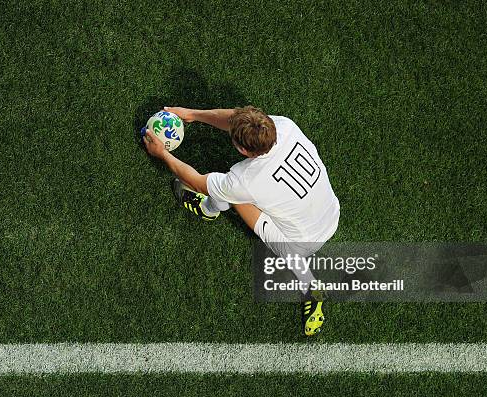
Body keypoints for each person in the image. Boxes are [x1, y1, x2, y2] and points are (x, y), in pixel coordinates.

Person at [142, 106, 340, 336]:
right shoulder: (285, 126)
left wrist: (163, 154)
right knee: (241, 192)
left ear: (243, 149)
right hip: (331, 213)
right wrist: (192, 114)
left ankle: (208, 210)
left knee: (233, 196)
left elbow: (196, 182)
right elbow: (234, 117)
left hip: (302, 243)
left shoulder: (244, 180)